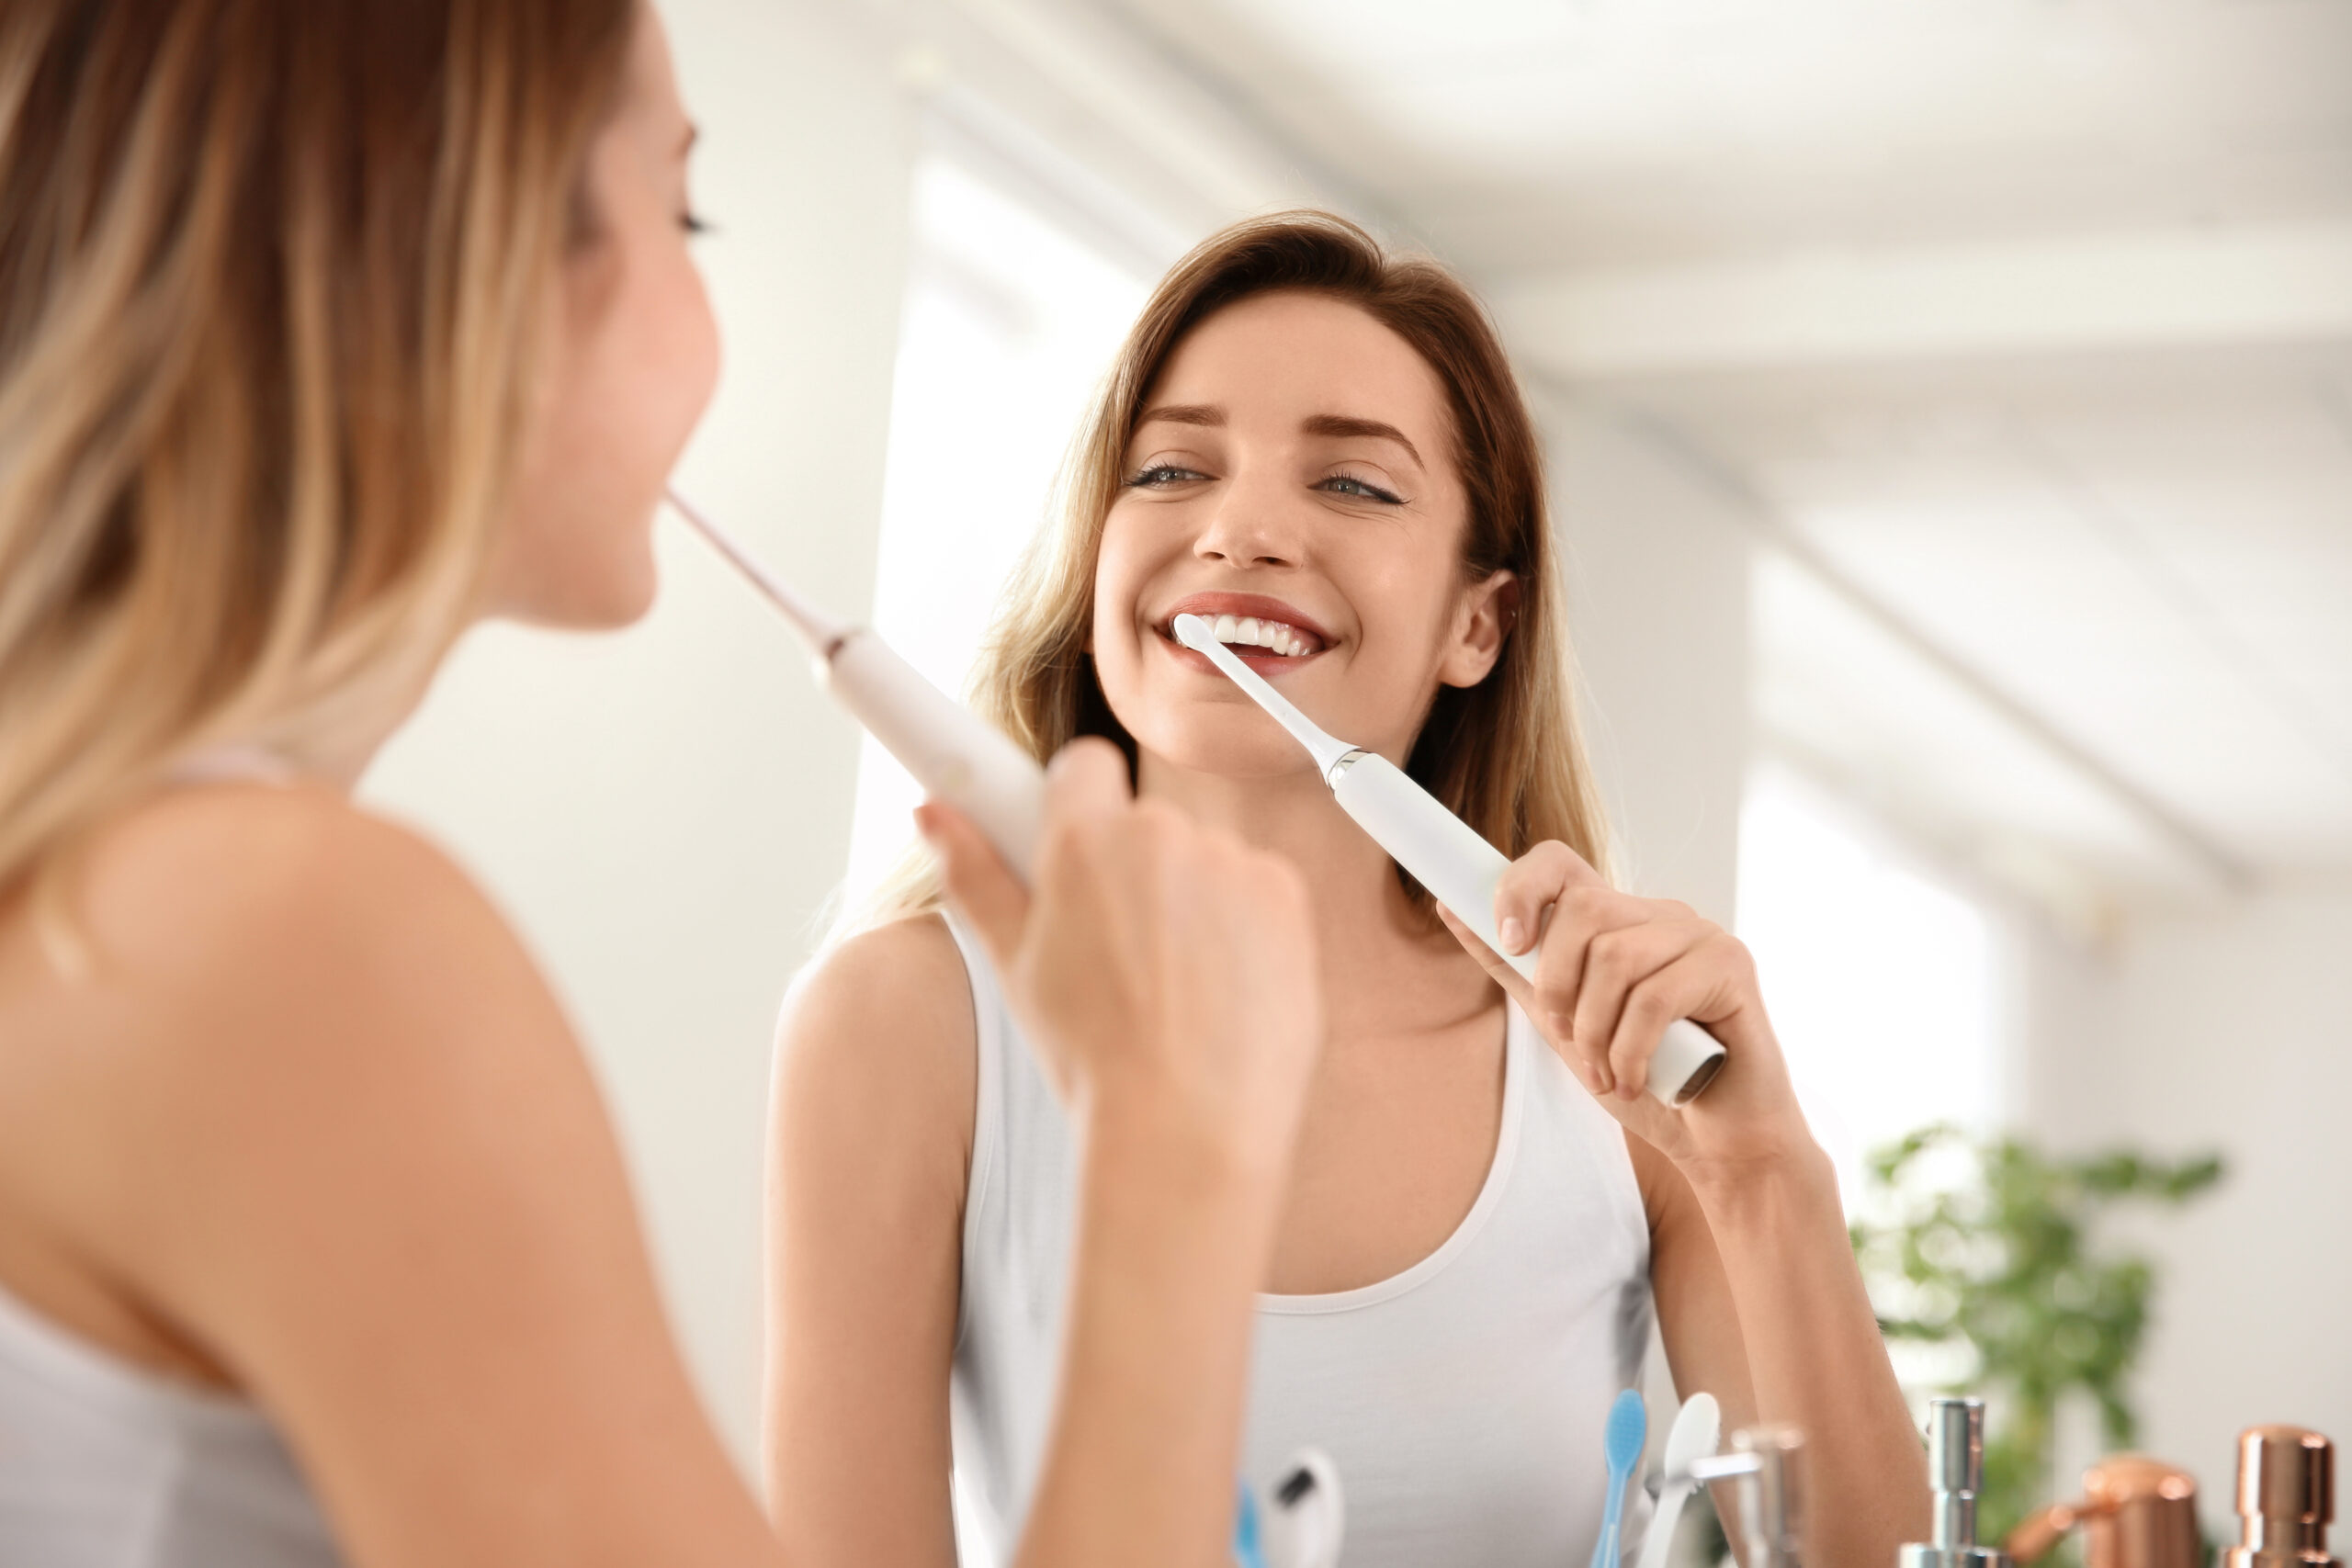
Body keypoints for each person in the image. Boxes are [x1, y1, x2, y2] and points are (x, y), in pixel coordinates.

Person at [0, 5, 1323, 1566]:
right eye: (680, 205)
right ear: (463, 253)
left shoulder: (128, 886)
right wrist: (1177, 1153)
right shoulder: (292, 937)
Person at [769, 212, 1936, 1568]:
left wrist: (1758, 1172)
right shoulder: (906, 1023)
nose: (1241, 527)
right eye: (1169, 469)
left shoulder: (1613, 1069)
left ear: (1475, 623)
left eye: (1355, 487)